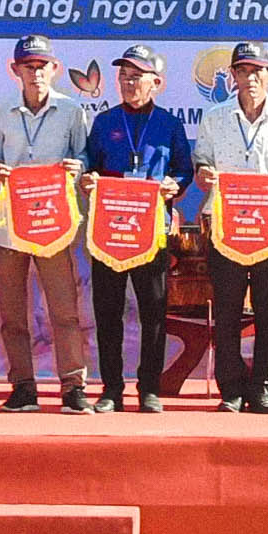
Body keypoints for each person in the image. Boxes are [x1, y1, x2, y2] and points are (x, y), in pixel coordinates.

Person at [192, 42, 268, 413]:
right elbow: (202, 166)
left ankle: (262, 386)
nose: (251, 78)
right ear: (233, 76)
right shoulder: (214, 118)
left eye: (258, 71)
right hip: (227, 226)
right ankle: (231, 387)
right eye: (243, 71)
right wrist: (204, 175)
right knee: (226, 308)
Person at [83, 45, 195, 412]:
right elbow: (89, 164)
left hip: (151, 233)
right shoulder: (104, 122)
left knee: (153, 312)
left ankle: (150, 388)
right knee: (108, 312)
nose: (129, 83)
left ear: (156, 83)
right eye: (124, 77)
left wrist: (174, 185)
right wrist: (87, 178)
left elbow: (184, 169)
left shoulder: (169, 123)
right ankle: (111, 389)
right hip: (110, 233)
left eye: (137, 77)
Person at [0, 34, 93, 414]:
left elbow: (83, 156)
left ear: (54, 69)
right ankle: (22, 386)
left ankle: (73, 386)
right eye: (28, 66)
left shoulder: (71, 111)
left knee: (63, 309)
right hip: (9, 224)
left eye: (42, 65)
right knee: (13, 312)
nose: (36, 73)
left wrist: (78, 167)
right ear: (15, 70)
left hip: (54, 223)